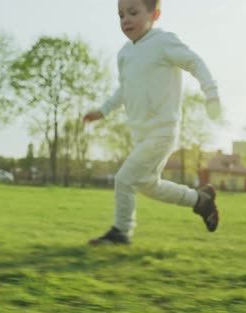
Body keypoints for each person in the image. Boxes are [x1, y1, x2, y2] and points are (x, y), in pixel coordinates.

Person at [83, 0, 222, 245]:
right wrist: (102, 111)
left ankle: (121, 232)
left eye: (133, 13)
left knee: (124, 179)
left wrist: (211, 93)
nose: (125, 19)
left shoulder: (163, 42)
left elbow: (194, 62)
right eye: (121, 15)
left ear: (154, 14)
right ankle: (201, 200)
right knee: (148, 186)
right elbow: (124, 90)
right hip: (141, 135)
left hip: (162, 130)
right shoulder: (124, 54)